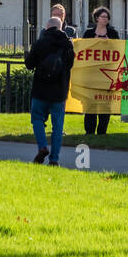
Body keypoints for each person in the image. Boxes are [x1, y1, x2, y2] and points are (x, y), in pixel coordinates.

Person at [25, 16, 75, 164]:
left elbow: (29, 65)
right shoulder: (67, 45)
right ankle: (54, 159)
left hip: (40, 89)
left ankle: (42, 147)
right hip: (59, 91)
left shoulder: (40, 43)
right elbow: (70, 65)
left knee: (37, 119)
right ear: (61, 28)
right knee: (57, 127)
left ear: (47, 27)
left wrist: (27, 55)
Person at [82, 7, 120, 134]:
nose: (105, 19)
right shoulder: (88, 33)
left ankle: (102, 130)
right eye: (103, 17)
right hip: (91, 74)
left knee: (105, 103)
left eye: (107, 17)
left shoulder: (113, 33)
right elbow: (82, 50)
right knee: (90, 103)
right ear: (97, 18)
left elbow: (119, 50)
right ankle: (89, 130)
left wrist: (109, 43)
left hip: (107, 75)